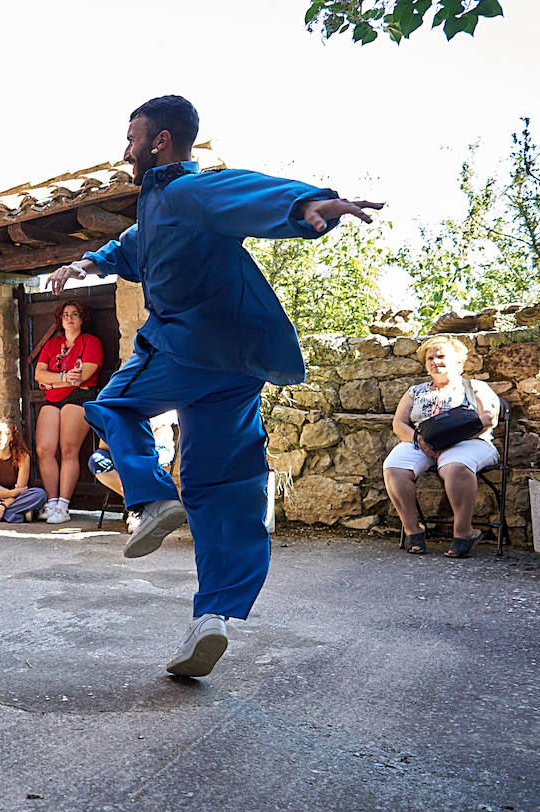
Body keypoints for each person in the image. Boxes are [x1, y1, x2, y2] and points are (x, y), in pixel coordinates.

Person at [45, 94, 382, 677]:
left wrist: (308, 204)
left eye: (132, 138)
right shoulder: (159, 208)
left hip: (191, 347)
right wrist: (87, 263)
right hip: (236, 367)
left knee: (110, 405)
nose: (125, 150)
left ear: (161, 141)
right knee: (221, 486)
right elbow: (132, 249)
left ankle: (149, 497)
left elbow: (244, 191)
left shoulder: (185, 191)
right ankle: (213, 618)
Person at [384, 335, 501, 559]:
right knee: (394, 467)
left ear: (458, 362)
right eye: (430, 358)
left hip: (470, 442)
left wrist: (450, 440)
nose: (435, 361)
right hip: (423, 442)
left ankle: (464, 533)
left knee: (456, 465)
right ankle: (413, 531)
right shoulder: (415, 392)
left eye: (441, 356)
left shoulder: (475, 387)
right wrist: (420, 441)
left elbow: (488, 418)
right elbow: (399, 424)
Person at [33, 301, 103, 523]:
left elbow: (83, 376)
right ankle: (52, 502)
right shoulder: (53, 344)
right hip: (53, 399)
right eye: (65, 315)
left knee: (68, 449)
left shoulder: (91, 342)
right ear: (60, 320)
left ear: (82, 319)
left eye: (74, 314)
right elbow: (39, 374)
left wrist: (52, 382)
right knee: (44, 449)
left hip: (80, 398)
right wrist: (63, 379)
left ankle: (63, 505)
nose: (69, 318)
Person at [89, 411, 179, 530]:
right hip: (124, 450)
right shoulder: (116, 404)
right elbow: (104, 445)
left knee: (139, 461)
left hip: (156, 447)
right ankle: (141, 504)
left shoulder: (155, 400)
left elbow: (153, 431)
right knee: (97, 461)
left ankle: (138, 506)